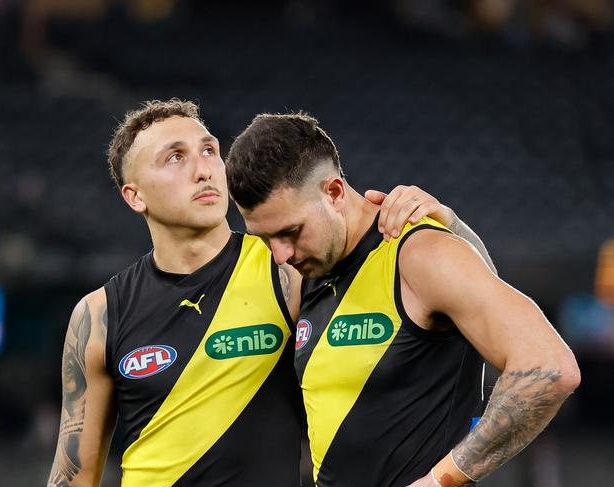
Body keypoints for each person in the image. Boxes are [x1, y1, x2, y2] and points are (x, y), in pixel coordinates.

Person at [47, 99, 480, 486]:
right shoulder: (100, 314)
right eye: (175, 158)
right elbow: (73, 476)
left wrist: (452, 226)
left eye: (209, 150)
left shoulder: (291, 269)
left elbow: (472, 309)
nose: (204, 169)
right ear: (133, 195)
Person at [226, 112, 581, 487]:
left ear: (333, 192)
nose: (280, 253)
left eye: (291, 232)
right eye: (265, 238)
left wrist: (439, 481)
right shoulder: (307, 270)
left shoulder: (418, 253)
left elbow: (550, 368)